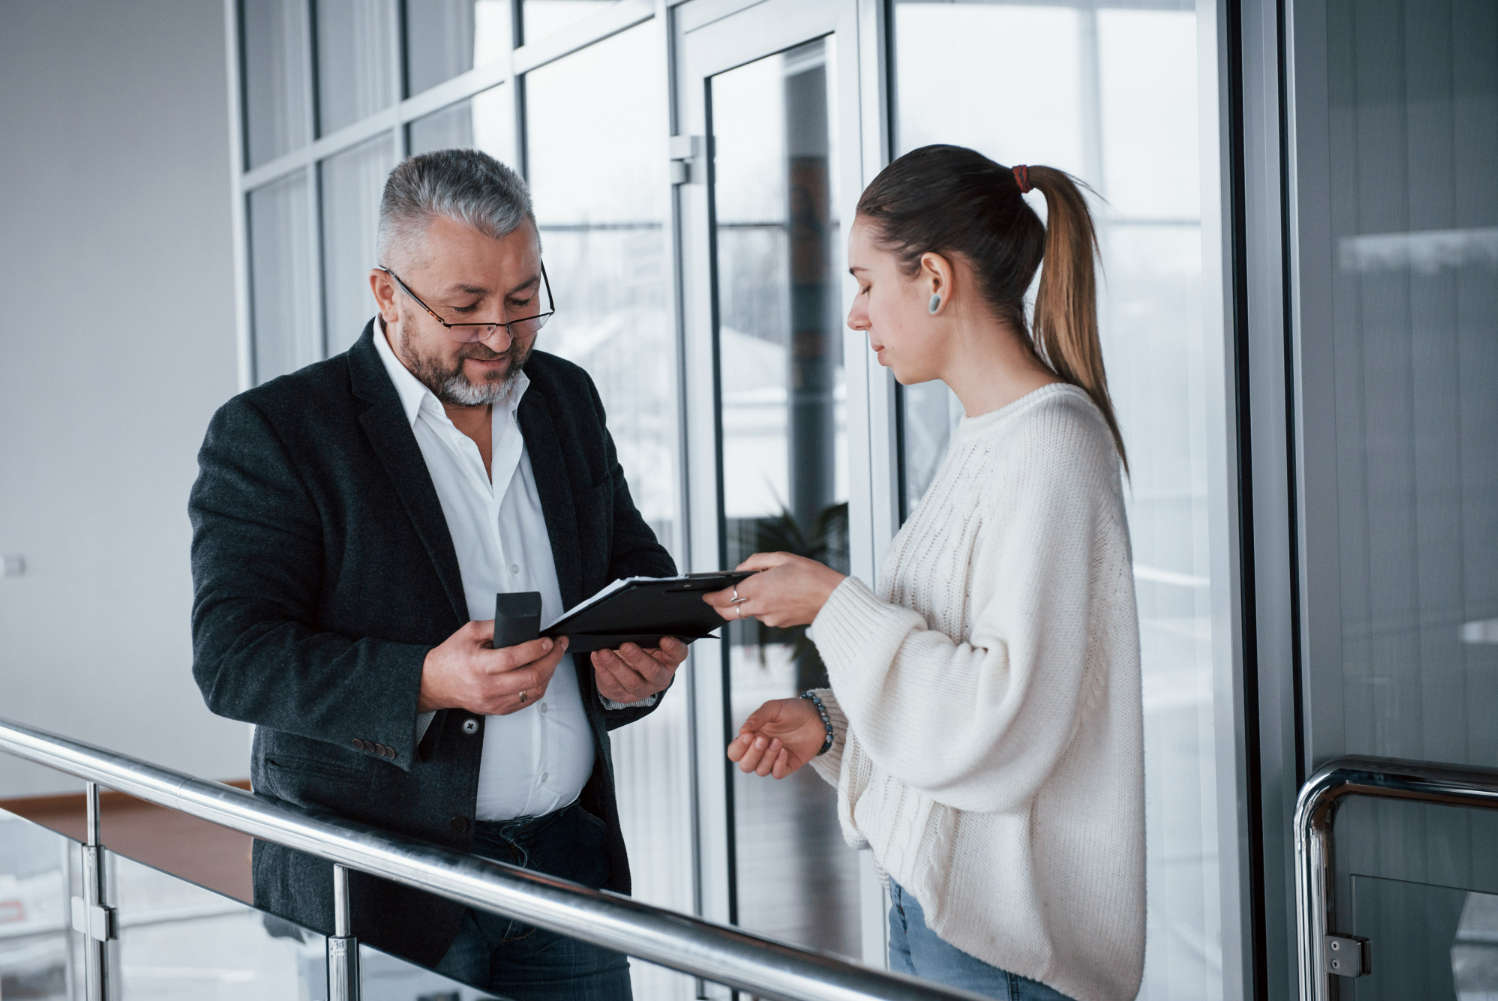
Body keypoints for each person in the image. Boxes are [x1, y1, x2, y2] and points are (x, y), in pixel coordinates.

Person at [189, 149, 685, 1000]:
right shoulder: (276, 430)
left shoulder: (566, 397)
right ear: (386, 293)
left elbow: (630, 558)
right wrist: (424, 679)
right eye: (467, 308)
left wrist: (637, 659)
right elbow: (234, 657)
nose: (500, 335)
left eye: (524, 301)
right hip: (384, 884)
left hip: (568, 864)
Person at [706, 145, 1145, 1001]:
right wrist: (832, 726)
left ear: (935, 279)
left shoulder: (1051, 445)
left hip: (1007, 955)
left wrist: (833, 604)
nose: (857, 315)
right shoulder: (987, 438)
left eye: (867, 282)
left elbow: (1005, 719)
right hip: (944, 923)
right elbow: (960, 677)